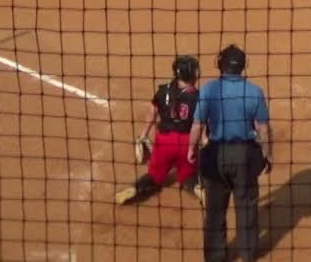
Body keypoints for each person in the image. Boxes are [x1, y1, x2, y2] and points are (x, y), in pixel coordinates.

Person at [189, 45, 271, 262]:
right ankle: (247, 252)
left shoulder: (208, 90)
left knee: (215, 210)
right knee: (247, 206)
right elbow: (262, 128)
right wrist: (267, 155)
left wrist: (191, 149)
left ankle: (216, 256)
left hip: (215, 156)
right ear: (244, 66)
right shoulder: (255, 91)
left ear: (220, 64)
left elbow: (197, 125)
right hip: (245, 156)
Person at [115, 55, 205, 206]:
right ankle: (198, 190)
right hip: (186, 142)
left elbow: (152, 112)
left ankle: (134, 189)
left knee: (154, 177)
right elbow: (200, 124)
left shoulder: (163, 91)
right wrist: (203, 141)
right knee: (188, 177)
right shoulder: (198, 97)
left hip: (164, 142)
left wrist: (143, 135)